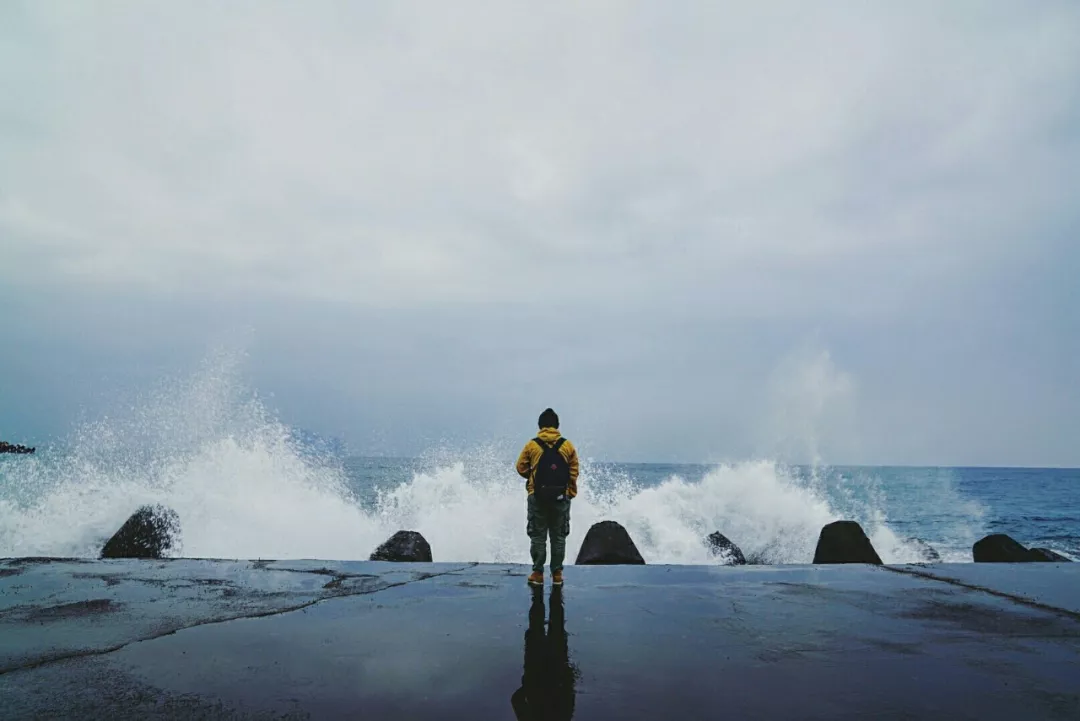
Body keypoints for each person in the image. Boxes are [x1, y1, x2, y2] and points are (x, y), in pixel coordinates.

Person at [516, 408, 579, 586]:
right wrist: (570, 492)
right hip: (561, 497)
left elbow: (520, 467)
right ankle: (557, 574)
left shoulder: (531, 445)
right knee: (559, 536)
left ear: (540, 426)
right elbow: (574, 472)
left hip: (537, 496)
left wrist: (532, 478)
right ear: (557, 426)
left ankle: (537, 573)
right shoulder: (567, 446)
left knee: (538, 535)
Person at [510, 586, 577, 721]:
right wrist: (528, 686)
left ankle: (546, 593)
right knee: (538, 628)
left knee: (555, 628)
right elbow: (516, 700)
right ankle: (540, 595)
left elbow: (569, 697)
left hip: (553, 671)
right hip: (536, 671)